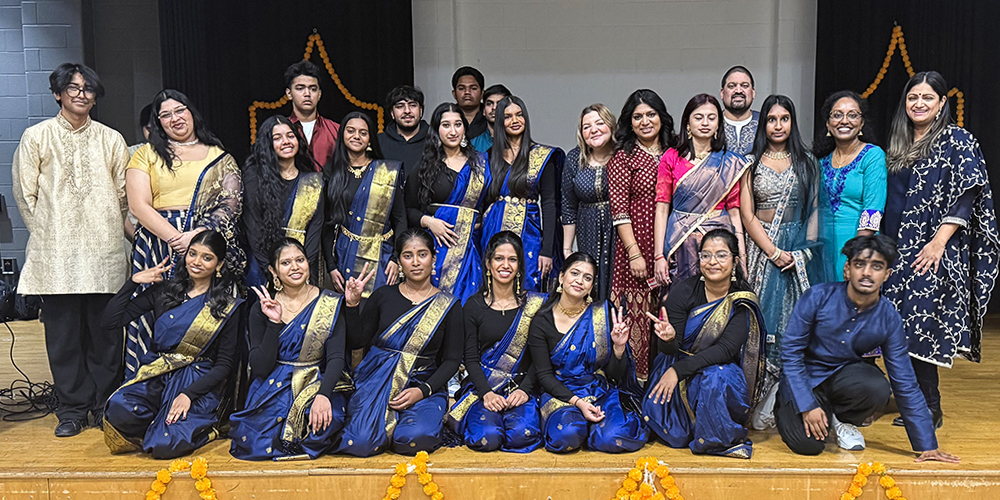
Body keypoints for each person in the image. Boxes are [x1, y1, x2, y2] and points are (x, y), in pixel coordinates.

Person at [11, 63, 130, 437]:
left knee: (106, 336)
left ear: (96, 96)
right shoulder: (37, 136)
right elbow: (24, 195)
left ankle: (105, 405)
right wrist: (50, 235)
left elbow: (124, 197)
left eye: (88, 89)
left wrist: (109, 233)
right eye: (73, 88)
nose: (81, 94)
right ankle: (73, 409)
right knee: (63, 339)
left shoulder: (111, 139)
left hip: (105, 252)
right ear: (58, 94)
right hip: (56, 255)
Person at [776, 234, 959, 464]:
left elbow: (904, 381)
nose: (867, 273)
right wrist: (807, 405)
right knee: (808, 446)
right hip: (802, 378)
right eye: (860, 264)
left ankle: (840, 418)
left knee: (877, 387)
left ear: (887, 275)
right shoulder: (818, 297)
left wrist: (928, 445)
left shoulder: (888, 317)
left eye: (877, 267)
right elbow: (791, 354)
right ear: (847, 269)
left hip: (844, 377)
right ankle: (790, 403)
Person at [882, 71, 999, 428]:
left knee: (922, 325)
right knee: (897, 327)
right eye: (913, 97)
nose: (918, 104)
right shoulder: (899, 143)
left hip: (932, 251)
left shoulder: (956, 140)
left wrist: (937, 243)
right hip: (897, 250)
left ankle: (929, 408)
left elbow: (968, 194)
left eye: (927, 98)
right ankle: (911, 402)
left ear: (941, 103)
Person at [124, 89, 244, 378]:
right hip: (157, 241)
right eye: (165, 115)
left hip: (206, 241)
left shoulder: (218, 155)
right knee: (154, 312)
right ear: (157, 122)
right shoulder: (147, 154)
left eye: (180, 110)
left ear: (191, 112)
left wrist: (197, 236)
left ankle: (198, 386)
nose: (174, 118)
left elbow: (232, 202)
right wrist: (176, 238)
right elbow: (138, 205)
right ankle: (146, 388)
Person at [102, 230, 244, 459]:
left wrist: (188, 394)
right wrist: (133, 282)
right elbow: (110, 322)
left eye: (207, 257)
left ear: (219, 264)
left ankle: (206, 429)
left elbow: (224, 364)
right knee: (118, 407)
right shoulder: (165, 291)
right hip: (158, 374)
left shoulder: (225, 306)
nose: (196, 262)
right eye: (192, 254)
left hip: (195, 381)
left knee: (163, 445)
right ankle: (158, 419)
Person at [739, 95, 829, 429]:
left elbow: (815, 210)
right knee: (763, 324)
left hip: (798, 249)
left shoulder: (807, 162)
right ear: (764, 125)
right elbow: (747, 215)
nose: (778, 125)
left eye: (784, 119)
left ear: (792, 122)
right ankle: (758, 400)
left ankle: (790, 400)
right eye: (771, 119)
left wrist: (804, 252)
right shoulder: (749, 162)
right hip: (764, 247)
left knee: (797, 322)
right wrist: (772, 252)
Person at [337, 229, 463, 456]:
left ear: (433, 259)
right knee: (361, 443)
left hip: (423, 385)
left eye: (422, 254)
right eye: (408, 256)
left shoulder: (449, 305)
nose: (415, 262)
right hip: (377, 381)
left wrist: (423, 391)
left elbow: (452, 360)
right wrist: (352, 305)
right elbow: (358, 340)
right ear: (399, 262)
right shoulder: (383, 295)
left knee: (413, 440)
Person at [643, 229, 765, 458]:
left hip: (717, 371)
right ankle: (704, 429)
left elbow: (726, 350)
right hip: (677, 366)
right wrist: (668, 339)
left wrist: (677, 371)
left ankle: (715, 441)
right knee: (676, 435)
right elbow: (670, 349)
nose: (713, 262)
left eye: (721, 255)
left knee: (716, 376)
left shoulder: (743, 298)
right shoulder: (685, 291)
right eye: (706, 255)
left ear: (735, 260)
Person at [229, 238, 350, 460]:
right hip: (273, 384)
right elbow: (260, 367)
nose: (295, 267)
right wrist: (274, 323)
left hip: (316, 380)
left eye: (300, 260)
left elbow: (336, 358)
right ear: (273, 271)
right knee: (255, 438)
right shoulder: (262, 308)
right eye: (285, 263)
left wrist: (324, 396)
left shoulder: (330, 302)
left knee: (325, 424)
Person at [527, 252, 648, 453]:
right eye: (574, 273)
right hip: (561, 394)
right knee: (567, 435)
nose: (579, 281)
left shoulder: (602, 314)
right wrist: (578, 403)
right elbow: (544, 375)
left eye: (587, 277)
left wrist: (618, 347)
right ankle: (586, 429)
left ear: (592, 286)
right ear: (561, 277)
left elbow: (615, 374)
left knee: (614, 437)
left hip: (597, 391)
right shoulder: (542, 320)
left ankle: (595, 432)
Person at [449, 231, 545, 452]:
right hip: (484, 387)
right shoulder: (473, 306)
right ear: (488, 264)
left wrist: (525, 390)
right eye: (499, 258)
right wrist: (487, 393)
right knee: (487, 438)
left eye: (512, 259)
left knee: (522, 436)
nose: (506, 265)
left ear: (520, 266)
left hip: (521, 390)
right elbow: (470, 358)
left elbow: (540, 358)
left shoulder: (534, 305)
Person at [607, 89, 676, 380]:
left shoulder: (676, 152)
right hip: (636, 248)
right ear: (629, 122)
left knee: (670, 315)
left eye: (651, 114)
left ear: (662, 117)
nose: (645, 121)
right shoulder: (623, 158)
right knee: (637, 321)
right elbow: (619, 210)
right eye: (638, 117)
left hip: (673, 244)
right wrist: (635, 253)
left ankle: (670, 393)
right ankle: (636, 392)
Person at [653, 94, 747, 294]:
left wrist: (742, 256)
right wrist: (659, 256)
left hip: (718, 240)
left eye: (711, 118)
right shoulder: (671, 157)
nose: (705, 123)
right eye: (699, 117)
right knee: (679, 301)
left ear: (718, 124)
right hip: (680, 239)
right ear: (687, 123)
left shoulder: (729, 163)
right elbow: (661, 209)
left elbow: (734, 213)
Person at [405, 102, 491, 303]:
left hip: (472, 247)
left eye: (458, 124)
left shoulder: (481, 164)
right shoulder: (425, 167)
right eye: (446, 125)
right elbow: (406, 209)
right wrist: (430, 222)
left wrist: (477, 222)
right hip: (436, 247)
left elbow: (490, 205)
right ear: (437, 130)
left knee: (468, 304)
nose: (453, 131)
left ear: (465, 128)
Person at [480, 96, 564, 292]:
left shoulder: (542, 156)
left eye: (519, 115)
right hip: (492, 231)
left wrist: (547, 250)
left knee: (529, 286)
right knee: (494, 287)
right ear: (499, 122)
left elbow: (550, 204)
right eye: (508, 117)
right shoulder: (489, 156)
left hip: (530, 233)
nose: (515, 120)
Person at [322, 111, 404, 299]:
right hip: (345, 256)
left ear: (370, 139)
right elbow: (327, 225)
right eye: (351, 131)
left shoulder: (386, 172)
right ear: (342, 135)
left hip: (383, 256)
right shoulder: (332, 173)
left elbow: (400, 219)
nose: (356, 136)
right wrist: (332, 267)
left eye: (363, 132)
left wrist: (395, 258)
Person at [242, 115, 324, 288]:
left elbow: (315, 229)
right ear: (267, 145)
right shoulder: (253, 178)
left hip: (303, 269)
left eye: (290, 136)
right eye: (277, 138)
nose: (286, 141)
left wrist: (303, 267)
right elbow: (253, 227)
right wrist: (272, 271)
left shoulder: (313, 181)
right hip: (265, 269)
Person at [814, 90, 886, 278]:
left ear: (861, 123)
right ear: (828, 124)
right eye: (837, 115)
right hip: (823, 247)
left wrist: (855, 256)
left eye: (852, 115)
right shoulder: (820, 162)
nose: (844, 121)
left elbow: (873, 210)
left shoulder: (872, 155)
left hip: (858, 243)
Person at [562, 104, 617, 302]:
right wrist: (568, 249)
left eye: (599, 123)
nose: (593, 129)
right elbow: (568, 206)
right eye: (586, 126)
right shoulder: (575, 158)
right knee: (589, 286)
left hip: (619, 232)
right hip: (587, 231)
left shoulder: (623, 156)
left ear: (611, 126)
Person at [285, 60, 340, 170]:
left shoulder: (336, 130)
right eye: (300, 88)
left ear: (319, 94)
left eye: (313, 89)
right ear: (289, 93)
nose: (307, 94)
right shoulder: (280, 131)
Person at [378, 85, 430, 183]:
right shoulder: (379, 142)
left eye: (413, 105)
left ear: (421, 111)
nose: (407, 111)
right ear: (392, 114)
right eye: (400, 106)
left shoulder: (435, 140)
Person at [720, 66, 759, 156]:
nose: (738, 91)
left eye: (744, 86)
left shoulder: (765, 123)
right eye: (731, 86)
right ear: (722, 93)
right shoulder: (711, 124)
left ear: (753, 93)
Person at [470, 84, 512, 153]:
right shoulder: (473, 145)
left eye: (499, 104)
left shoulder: (517, 142)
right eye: (489, 104)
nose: (494, 108)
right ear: (483, 111)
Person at [452, 66, 488, 138]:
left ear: (482, 94)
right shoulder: (446, 117)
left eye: (473, 88)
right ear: (454, 94)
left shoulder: (490, 117)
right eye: (461, 88)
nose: (467, 92)